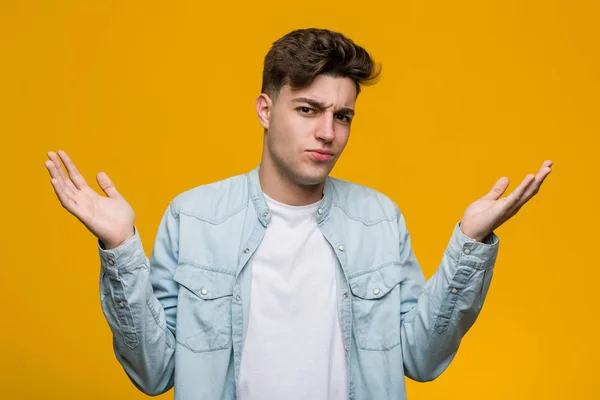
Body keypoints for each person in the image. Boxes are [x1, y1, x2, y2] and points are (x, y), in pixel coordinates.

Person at [45, 28, 552, 400]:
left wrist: (470, 243)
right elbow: (153, 373)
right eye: (308, 110)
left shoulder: (378, 219)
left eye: (343, 116)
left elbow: (420, 358)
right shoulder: (193, 217)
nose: (328, 133)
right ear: (266, 110)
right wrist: (120, 248)